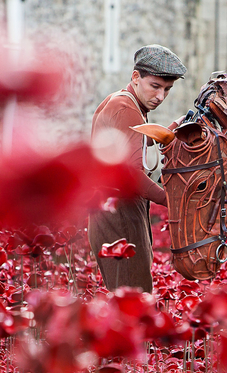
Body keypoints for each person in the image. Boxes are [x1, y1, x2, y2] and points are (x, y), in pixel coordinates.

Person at [88, 44, 186, 292]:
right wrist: (173, 200)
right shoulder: (126, 108)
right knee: (134, 298)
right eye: (155, 86)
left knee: (127, 295)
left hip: (111, 212)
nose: (161, 97)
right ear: (135, 77)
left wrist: (171, 130)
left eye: (167, 89)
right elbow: (131, 174)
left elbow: (132, 144)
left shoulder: (122, 102)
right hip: (120, 213)